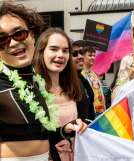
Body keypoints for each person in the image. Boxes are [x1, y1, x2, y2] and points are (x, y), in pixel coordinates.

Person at [0, 3, 86, 161]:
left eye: (18, 34)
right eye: (1, 39)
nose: (11, 43)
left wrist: (65, 129)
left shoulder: (37, 81)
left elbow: (41, 134)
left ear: (32, 34)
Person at [33, 27, 88, 161]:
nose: (60, 55)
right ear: (41, 52)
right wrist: (64, 130)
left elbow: (84, 119)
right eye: (54, 49)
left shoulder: (75, 86)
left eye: (65, 51)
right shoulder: (31, 88)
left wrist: (81, 125)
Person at [72, 41, 95, 121]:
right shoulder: (64, 82)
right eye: (75, 54)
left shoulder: (81, 78)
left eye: (81, 53)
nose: (80, 56)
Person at [81, 46, 106, 116]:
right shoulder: (80, 74)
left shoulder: (93, 73)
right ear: (82, 56)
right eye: (90, 55)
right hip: (89, 113)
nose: (93, 58)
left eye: (94, 55)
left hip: (100, 111)